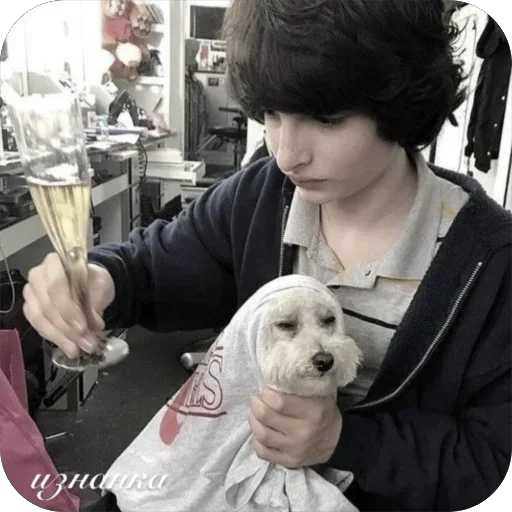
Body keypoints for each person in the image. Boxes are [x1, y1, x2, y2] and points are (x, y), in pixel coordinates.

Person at [22, 1, 512, 511]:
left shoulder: (491, 264)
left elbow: (492, 459)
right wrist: (102, 277)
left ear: (402, 97)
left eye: (326, 118)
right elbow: (153, 266)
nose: (286, 152)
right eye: (272, 114)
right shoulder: (262, 195)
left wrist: (345, 440)